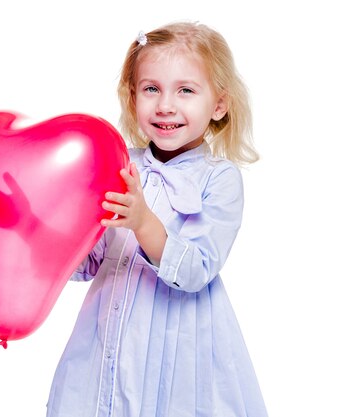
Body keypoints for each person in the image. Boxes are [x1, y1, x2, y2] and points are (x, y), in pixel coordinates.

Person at [46, 21, 268, 417]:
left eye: (185, 90)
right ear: (133, 98)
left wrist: (143, 220)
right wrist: (48, 231)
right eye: (151, 89)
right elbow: (89, 260)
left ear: (218, 104)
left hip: (178, 345)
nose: (166, 105)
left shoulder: (219, 179)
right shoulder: (117, 164)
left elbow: (198, 269)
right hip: (107, 340)